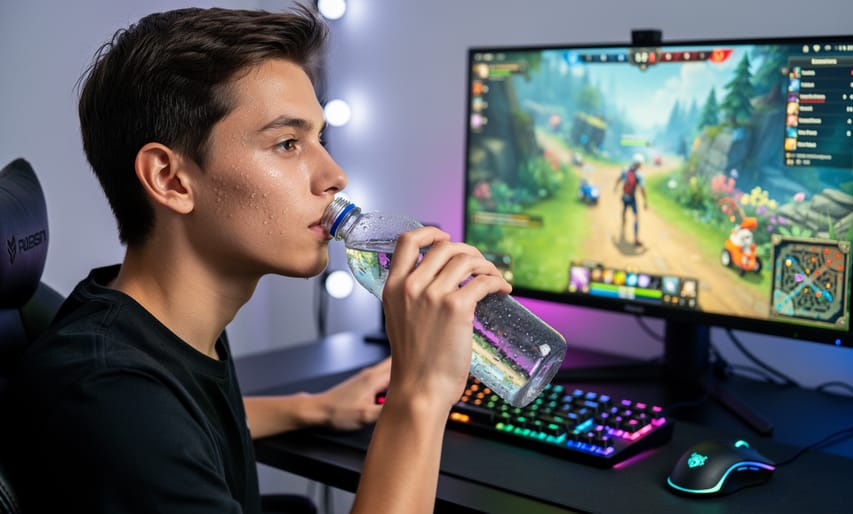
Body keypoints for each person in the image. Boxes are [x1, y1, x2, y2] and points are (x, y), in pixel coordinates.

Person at [5, 4, 511, 514]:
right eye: (288, 143)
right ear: (170, 179)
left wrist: (314, 408)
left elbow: (184, 426)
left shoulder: (158, 331)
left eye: (320, 139)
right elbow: (146, 426)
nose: (335, 175)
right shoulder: (108, 396)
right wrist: (419, 393)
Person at [615, 153, 649, 246]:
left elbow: (618, 179)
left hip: (625, 195)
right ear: (639, 164)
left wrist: (615, 188)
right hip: (632, 197)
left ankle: (623, 221)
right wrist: (645, 201)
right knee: (636, 217)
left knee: (624, 210)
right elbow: (642, 189)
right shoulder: (639, 175)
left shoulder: (625, 171)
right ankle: (636, 238)